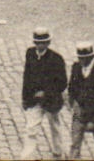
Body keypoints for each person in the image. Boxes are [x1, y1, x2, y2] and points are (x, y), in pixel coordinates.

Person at [20, 27, 66, 161]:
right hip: (34, 100)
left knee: (55, 127)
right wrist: (25, 98)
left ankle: (58, 153)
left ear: (48, 43)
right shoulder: (30, 54)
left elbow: (62, 83)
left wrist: (45, 93)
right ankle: (27, 156)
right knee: (31, 128)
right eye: (37, 43)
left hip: (51, 101)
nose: (40, 46)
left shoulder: (56, 59)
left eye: (43, 43)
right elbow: (26, 76)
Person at [66, 43, 94, 161]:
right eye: (80, 58)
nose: (81, 60)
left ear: (91, 57)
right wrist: (72, 102)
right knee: (75, 144)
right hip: (80, 112)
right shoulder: (75, 68)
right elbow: (71, 87)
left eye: (84, 58)